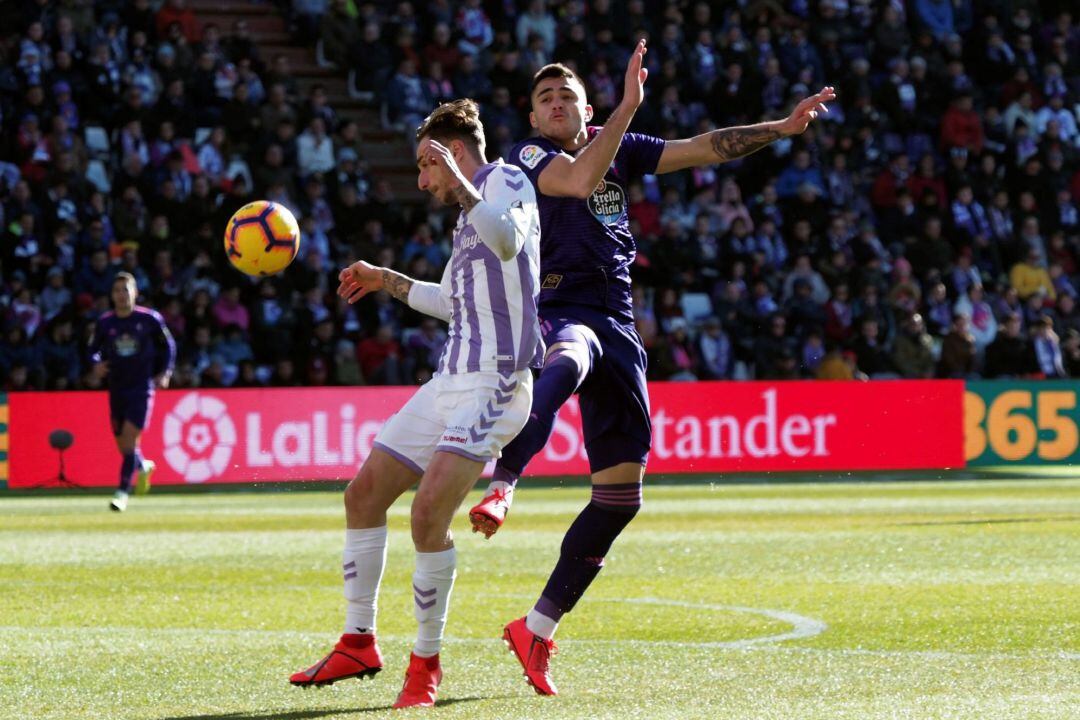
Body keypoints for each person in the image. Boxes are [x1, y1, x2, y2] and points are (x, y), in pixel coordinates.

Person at [467, 40, 834, 694]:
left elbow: (703, 146)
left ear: (586, 110)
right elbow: (578, 182)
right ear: (534, 117)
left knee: (620, 495)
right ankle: (504, 482)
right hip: (559, 306)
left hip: (621, 323)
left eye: (566, 95)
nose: (554, 102)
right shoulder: (525, 160)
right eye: (543, 97)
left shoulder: (621, 150)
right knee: (569, 355)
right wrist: (629, 105)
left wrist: (780, 128)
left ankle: (537, 629)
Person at [287, 99, 541, 709]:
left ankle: (425, 665)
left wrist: (458, 179)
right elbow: (452, 303)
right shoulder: (463, 218)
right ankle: (358, 639)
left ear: (451, 154)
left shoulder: (508, 182)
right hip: (451, 379)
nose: (423, 180)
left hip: (498, 381)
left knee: (427, 517)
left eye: (426, 166)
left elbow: (507, 242)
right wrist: (387, 280)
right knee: (363, 494)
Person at [88, 272, 176, 512]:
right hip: (116, 388)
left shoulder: (149, 319)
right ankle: (143, 465)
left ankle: (122, 493)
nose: (121, 295)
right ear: (112, 295)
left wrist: (165, 372)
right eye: (117, 290)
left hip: (141, 388)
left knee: (129, 439)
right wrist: (96, 363)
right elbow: (92, 350)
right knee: (124, 445)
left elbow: (169, 346)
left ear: (135, 293)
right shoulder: (105, 322)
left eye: (126, 290)